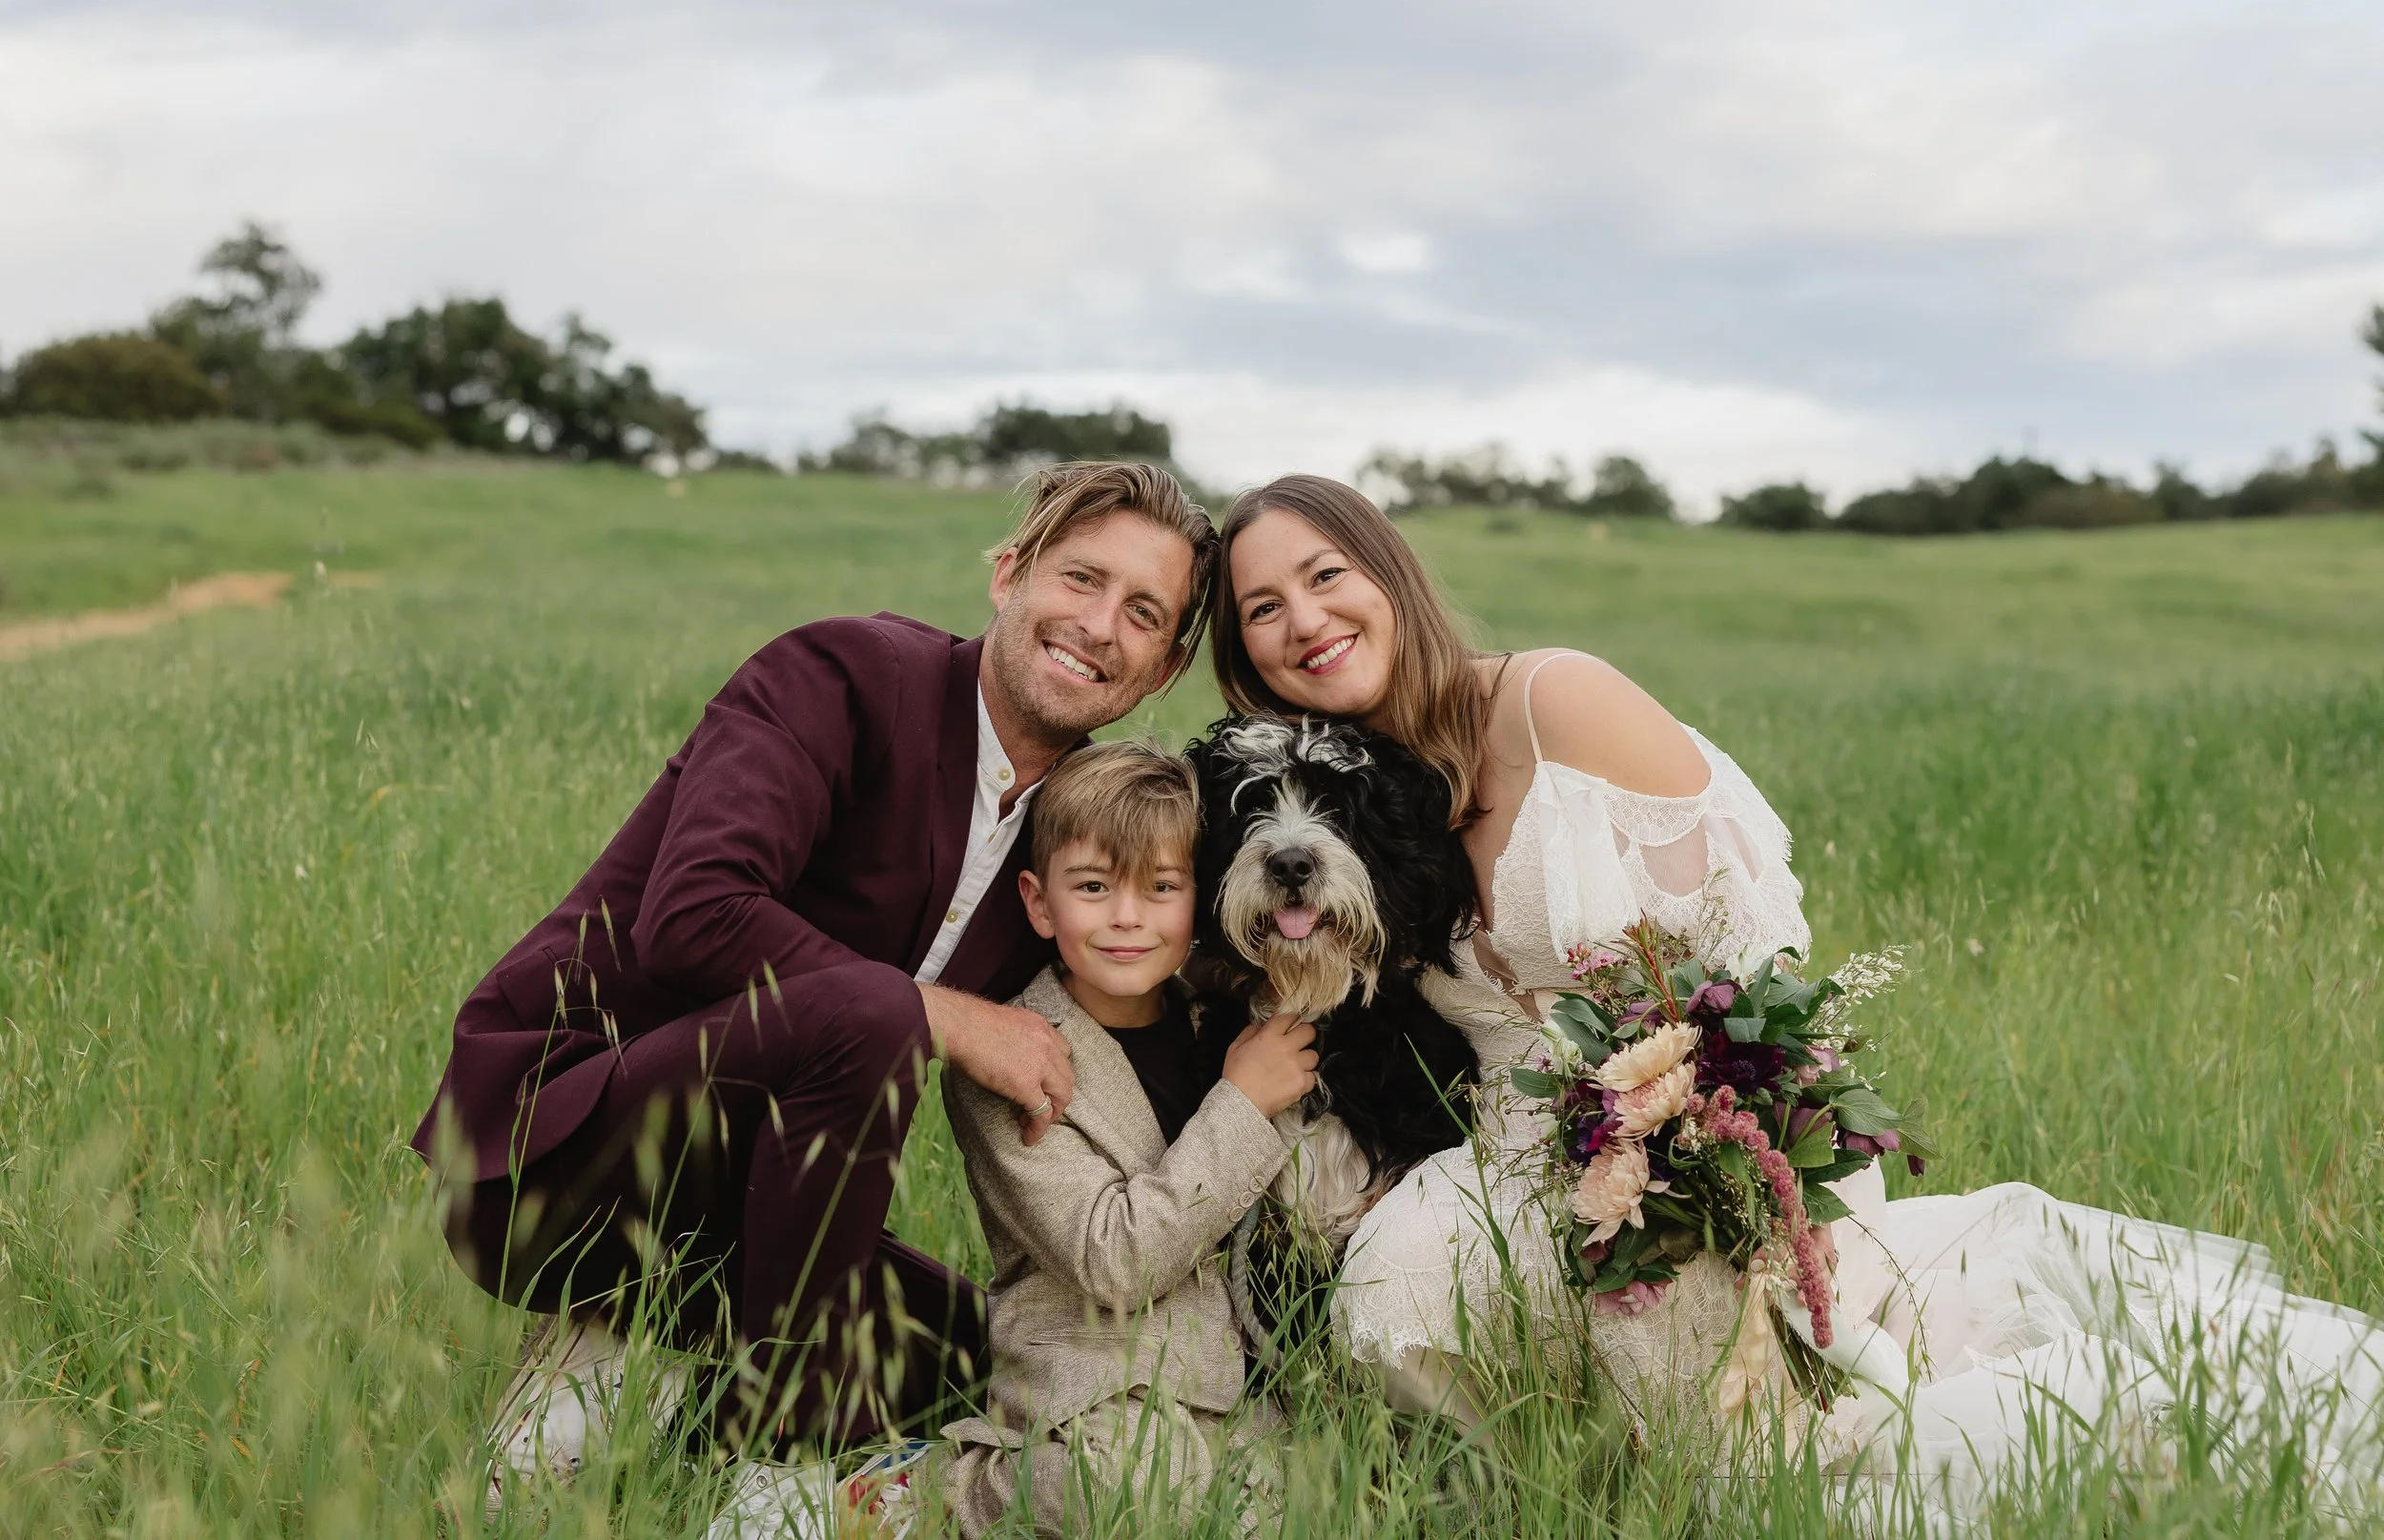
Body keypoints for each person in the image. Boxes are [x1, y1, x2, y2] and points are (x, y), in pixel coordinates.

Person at [1203, 473, 2384, 1518]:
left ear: (1390, 576)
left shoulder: (1554, 700)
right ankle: (1561, 1488)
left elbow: (1754, 954)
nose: (1304, 619)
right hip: (1522, 1155)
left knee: (1798, 1457)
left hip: (1713, 1127)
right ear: (1246, 651)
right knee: (1398, 1279)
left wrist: (1708, 1134)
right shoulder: (1354, 795)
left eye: (1325, 575)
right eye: (1264, 607)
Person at [409, 462, 1219, 1512]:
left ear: (1166, 664)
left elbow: (1152, 981)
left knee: (986, 1356)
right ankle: (773, 1481)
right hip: (553, 1165)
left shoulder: (1074, 832)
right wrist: (947, 1014)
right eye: (1080, 578)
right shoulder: (841, 673)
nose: (1100, 624)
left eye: (1142, 612)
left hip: (761, 1228)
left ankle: (635, 1425)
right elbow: (696, 913)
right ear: (1009, 574)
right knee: (875, 1007)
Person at [709, 739, 1316, 1538]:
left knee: (1307, 1496)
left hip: (1227, 1395)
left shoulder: (1218, 1020)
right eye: (1093, 888)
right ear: (1038, 902)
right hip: (1092, 1400)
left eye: (1161, 888)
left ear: (1196, 896)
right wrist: (1242, 1102)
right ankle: (913, 1493)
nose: (1127, 918)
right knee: (1119, 1490)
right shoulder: (1012, 1062)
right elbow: (1115, 1258)